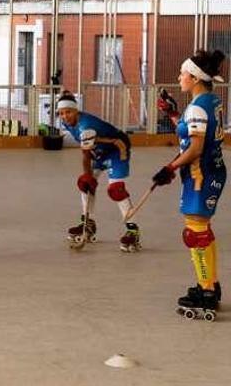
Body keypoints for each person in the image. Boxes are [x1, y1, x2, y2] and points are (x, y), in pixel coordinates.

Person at [152, 50, 226, 320]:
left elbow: (195, 147)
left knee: (195, 234)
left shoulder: (197, 106)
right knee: (202, 231)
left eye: (183, 74)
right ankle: (211, 285)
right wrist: (173, 113)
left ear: (195, 77)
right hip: (209, 172)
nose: (179, 77)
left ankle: (206, 290)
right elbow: (190, 134)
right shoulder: (209, 100)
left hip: (200, 175)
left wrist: (169, 168)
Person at [56, 92, 139, 252]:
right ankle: (88, 223)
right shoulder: (67, 123)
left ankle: (133, 230)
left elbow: (85, 155)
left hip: (117, 149)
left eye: (69, 112)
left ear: (76, 111)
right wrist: (88, 178)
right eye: (61, 113)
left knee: (116, 190)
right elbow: (86, 150)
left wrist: (88, 174)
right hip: (100, 152)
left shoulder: (85, 126)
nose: (65, 116)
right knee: (85, 184)